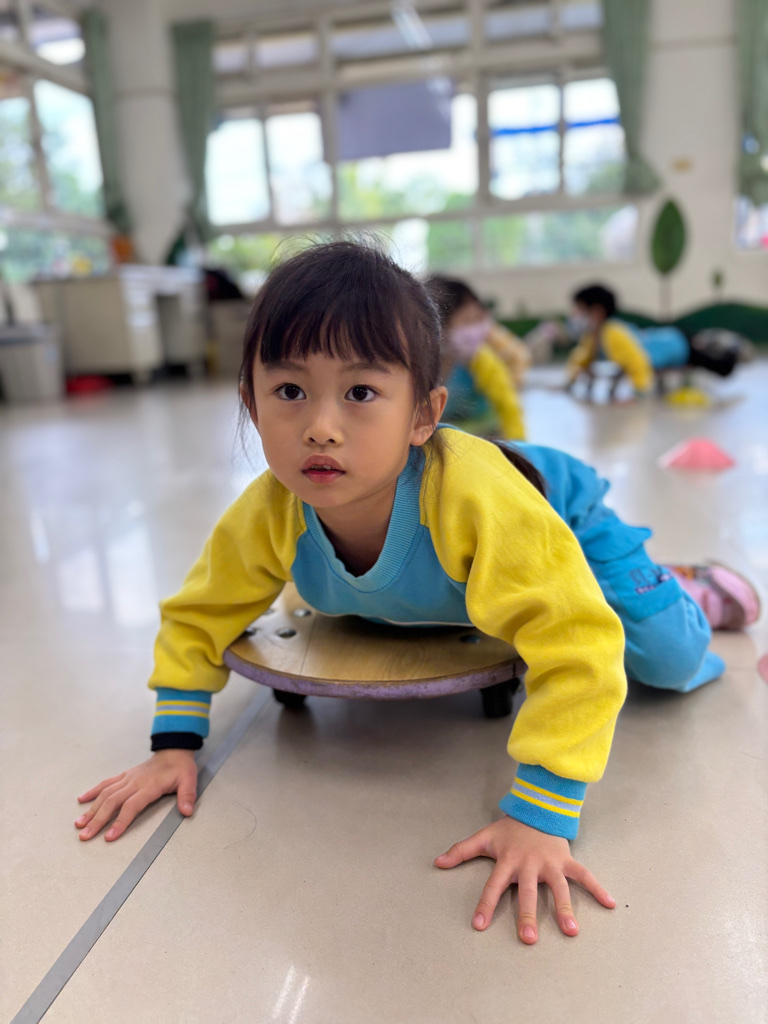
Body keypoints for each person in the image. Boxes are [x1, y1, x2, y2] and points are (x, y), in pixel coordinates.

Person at [74, 242, 760, 947]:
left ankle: (686, 587)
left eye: (360, 393)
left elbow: (575, 641)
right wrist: (174, 744)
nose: (320, 427)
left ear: (423, 416)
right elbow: (201, 611)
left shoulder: (476, 499)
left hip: (557, 515)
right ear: (250, 401)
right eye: (289, 392)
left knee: (667, 658)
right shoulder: (270, 509)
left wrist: (542, 813)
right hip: (491, 555)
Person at [566, 284, 745, 397]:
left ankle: (732, 353)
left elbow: (637, 361)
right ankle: (716, 347)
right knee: (701, 351)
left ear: (597, 311)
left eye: (579, 310)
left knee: (716, 364)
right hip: (665, 339)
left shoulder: (613, 332)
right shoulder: (592, 336)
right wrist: (570, 380)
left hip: (673, 345)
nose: (575, 316)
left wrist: (640, 392)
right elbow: (581, 357)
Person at [426, 276, 528, 440]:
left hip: (487, 437)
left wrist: (518, 446)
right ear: (438, 328)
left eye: (477, 319)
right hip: (441, 439)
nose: (474, 329)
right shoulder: (423, 365)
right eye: (466, 320)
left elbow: (508, 405)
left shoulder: (481, 359)